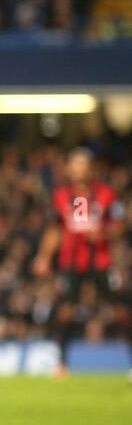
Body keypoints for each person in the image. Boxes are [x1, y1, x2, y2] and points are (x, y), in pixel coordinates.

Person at [33, 147, 127, 379]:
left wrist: (104, 233)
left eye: (83, 164)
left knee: (121, 311)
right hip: (71, 262)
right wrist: (44, 257)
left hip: (102, 261)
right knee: (64, 311)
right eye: (75, 164)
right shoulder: (61, 196)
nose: (79, 169)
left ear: (91, 168)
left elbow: (121, 225)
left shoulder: (106, 194)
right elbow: (54, 229)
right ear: (69, 168)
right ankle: (62, 365)